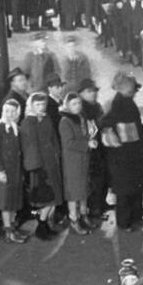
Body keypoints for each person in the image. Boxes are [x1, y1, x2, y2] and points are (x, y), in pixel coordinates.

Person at [101, 73, 143, 232]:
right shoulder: (120, 105)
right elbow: (130, 129)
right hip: (124, 156)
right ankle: (125, 221)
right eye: (133, 89)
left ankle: (134, 217)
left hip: (128, 155)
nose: (135, 92)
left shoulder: (124, 102)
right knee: (126, 191)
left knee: (132, 188)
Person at [21, 92, 64, 240]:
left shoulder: (47, 119)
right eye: (38, 104)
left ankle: (45, 225)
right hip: (39, 167)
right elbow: (29, 147)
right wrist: (36, 167)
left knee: (55, 198)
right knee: (47, 199)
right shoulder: (28, 122)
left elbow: (53, 139)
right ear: (31, 105)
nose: (41, 107)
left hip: (51, 163)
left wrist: (57, 155)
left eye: (43, 104)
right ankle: (41, 226)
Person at [0, 99, 28, 244]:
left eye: (13, 111)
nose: (10, 114)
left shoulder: (16, 128)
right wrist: (0, 171)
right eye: (7, 111)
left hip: (15, 170)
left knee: (13, 200)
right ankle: (8, 232)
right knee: (5, 201)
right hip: (3, 170)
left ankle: (12, 227)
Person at [59, 92, 98, 235]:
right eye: (74, 104)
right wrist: (87, 144)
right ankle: (74, 219)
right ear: (67, 105)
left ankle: (83, 215)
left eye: (79, 103)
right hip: (72, 161)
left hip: (83, 159)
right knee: (74, 192)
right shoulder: (65, 121)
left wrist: (90, 138)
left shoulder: (81, 117)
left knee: (83, 190)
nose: (77, 106)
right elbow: (68, 143)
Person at [79, 79, 108, 220]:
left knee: (102, 177)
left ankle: (101, 204)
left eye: (94, 91)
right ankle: (95, 209)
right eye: (89, 91)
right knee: (93, 180)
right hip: (89, 149)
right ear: (81, 94)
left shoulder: (97, 106)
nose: (93, 94)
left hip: (100, 146)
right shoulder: (81, 109)